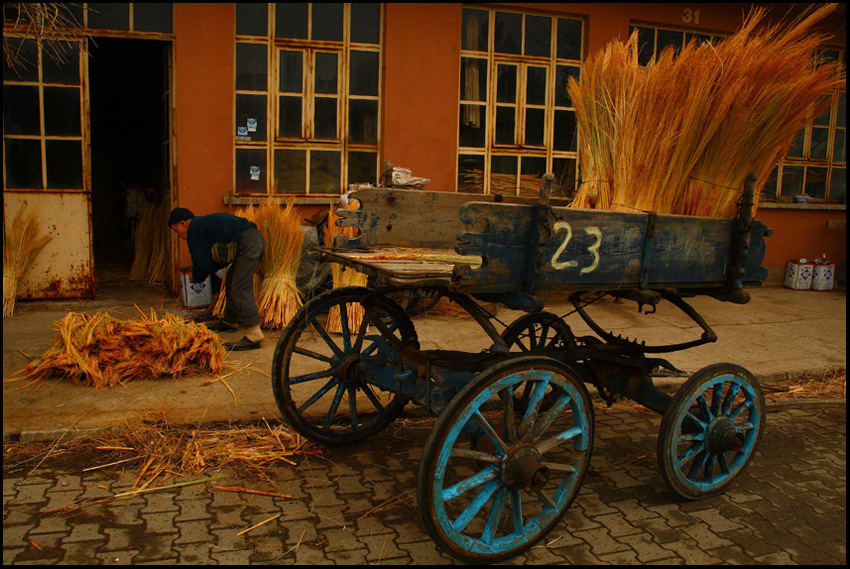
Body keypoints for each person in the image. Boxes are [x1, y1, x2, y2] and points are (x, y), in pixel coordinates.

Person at [168, 207, 265, 351]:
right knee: (231, 280)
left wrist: (197, 276)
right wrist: (203, 271)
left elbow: (203, 263)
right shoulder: (201, 225)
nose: (178, 235)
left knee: (239, 287)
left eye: (176, 230)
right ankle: (230, 321)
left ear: (183, 223)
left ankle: (254, 333)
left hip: (248, 243)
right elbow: (216, 258)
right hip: (253, 240)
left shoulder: (194, 229)